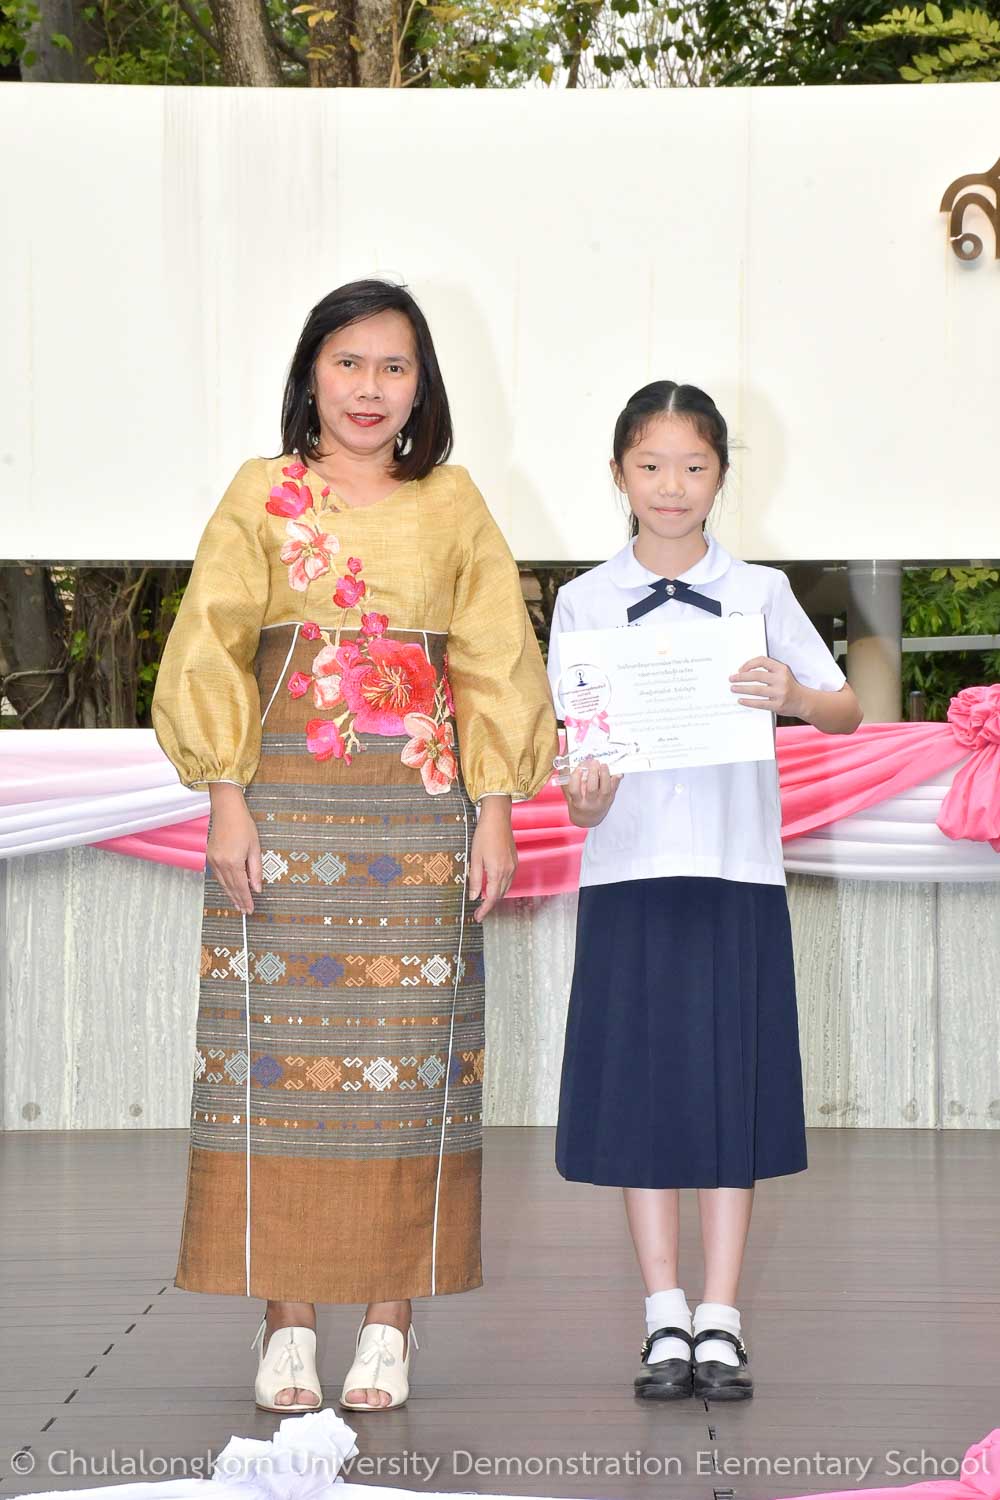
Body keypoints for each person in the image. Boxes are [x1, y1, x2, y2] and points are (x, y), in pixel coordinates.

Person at [151, 279, 557, 1415]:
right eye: (348, 362)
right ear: (310, 375)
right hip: (283, 810)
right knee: (278, 1065)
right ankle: (284, 1319)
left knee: (410, 1065)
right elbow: (207, 647)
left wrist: (495, 809)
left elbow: (494, 659)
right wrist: (226, 799)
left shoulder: (453, 501)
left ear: (421, 386)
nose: (369, 388)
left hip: (420, 823)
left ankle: (391, 1320)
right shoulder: (262, 494)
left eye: (394, 367)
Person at [546, 380, 862, 1403]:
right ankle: (662, 1312)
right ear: (618, 474)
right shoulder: (584, 602)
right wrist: (586, 796)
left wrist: (794, 693)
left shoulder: (760, 590)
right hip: (628, 870)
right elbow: (579, 770)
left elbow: (846, 709)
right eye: (651, 466)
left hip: (736, 870)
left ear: (722, 474)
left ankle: (720, 1315)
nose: (671, 486)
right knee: (642, 1091)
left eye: (693, 466)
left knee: (731, 1086)